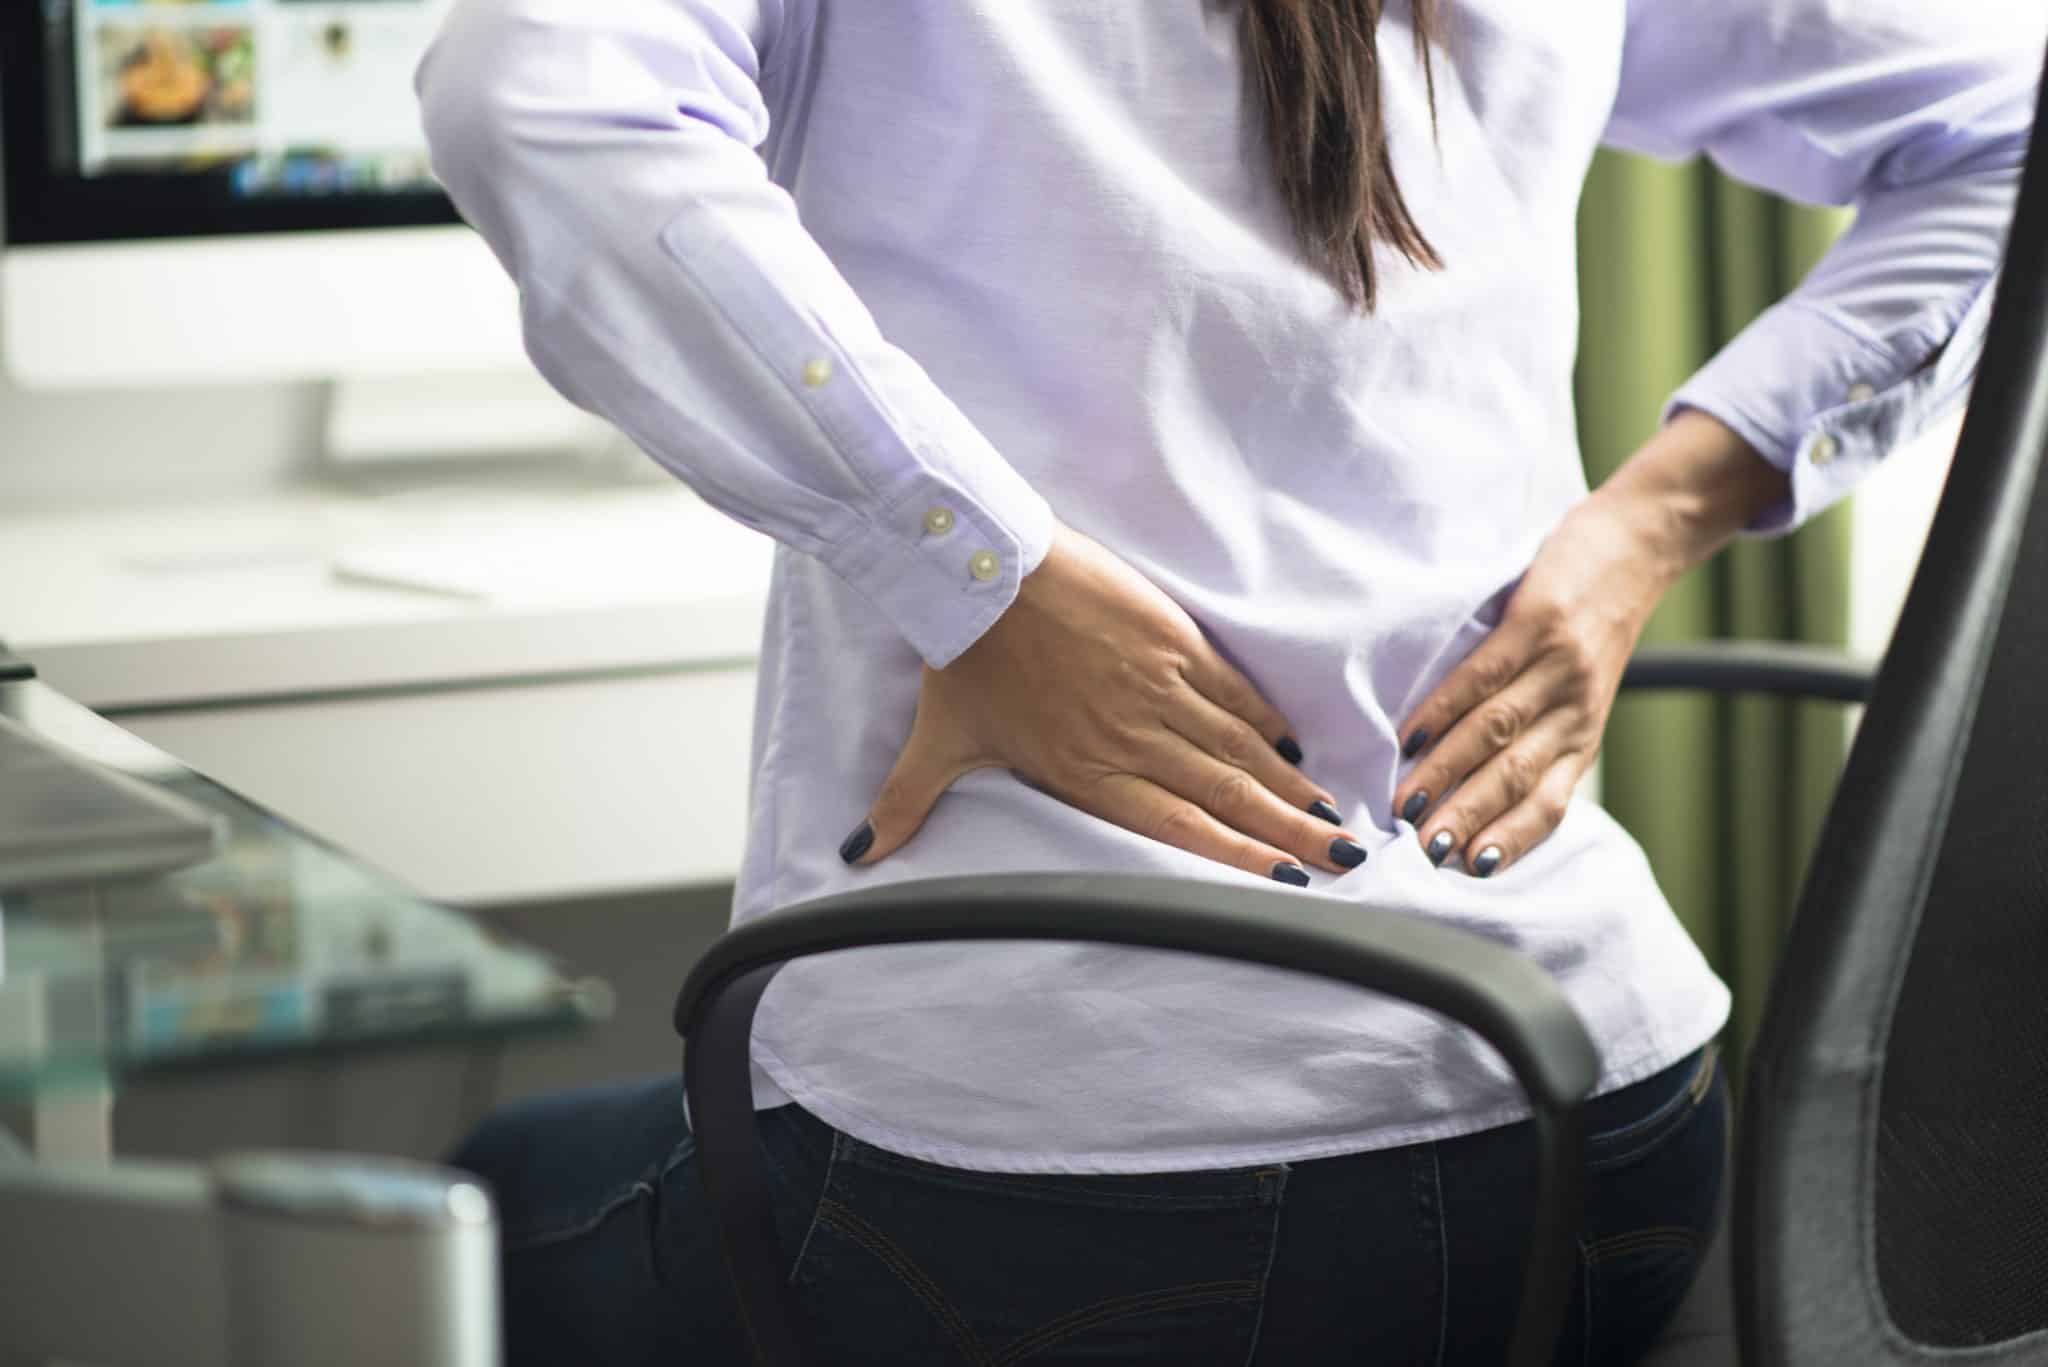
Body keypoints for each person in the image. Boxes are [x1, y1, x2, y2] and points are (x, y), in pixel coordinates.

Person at [416, 2, 2039, 1361]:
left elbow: (536, 98)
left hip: (1046, 1194)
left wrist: (977, 573)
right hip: (1605, 1141)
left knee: (483, 1196)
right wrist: (1656, 519)